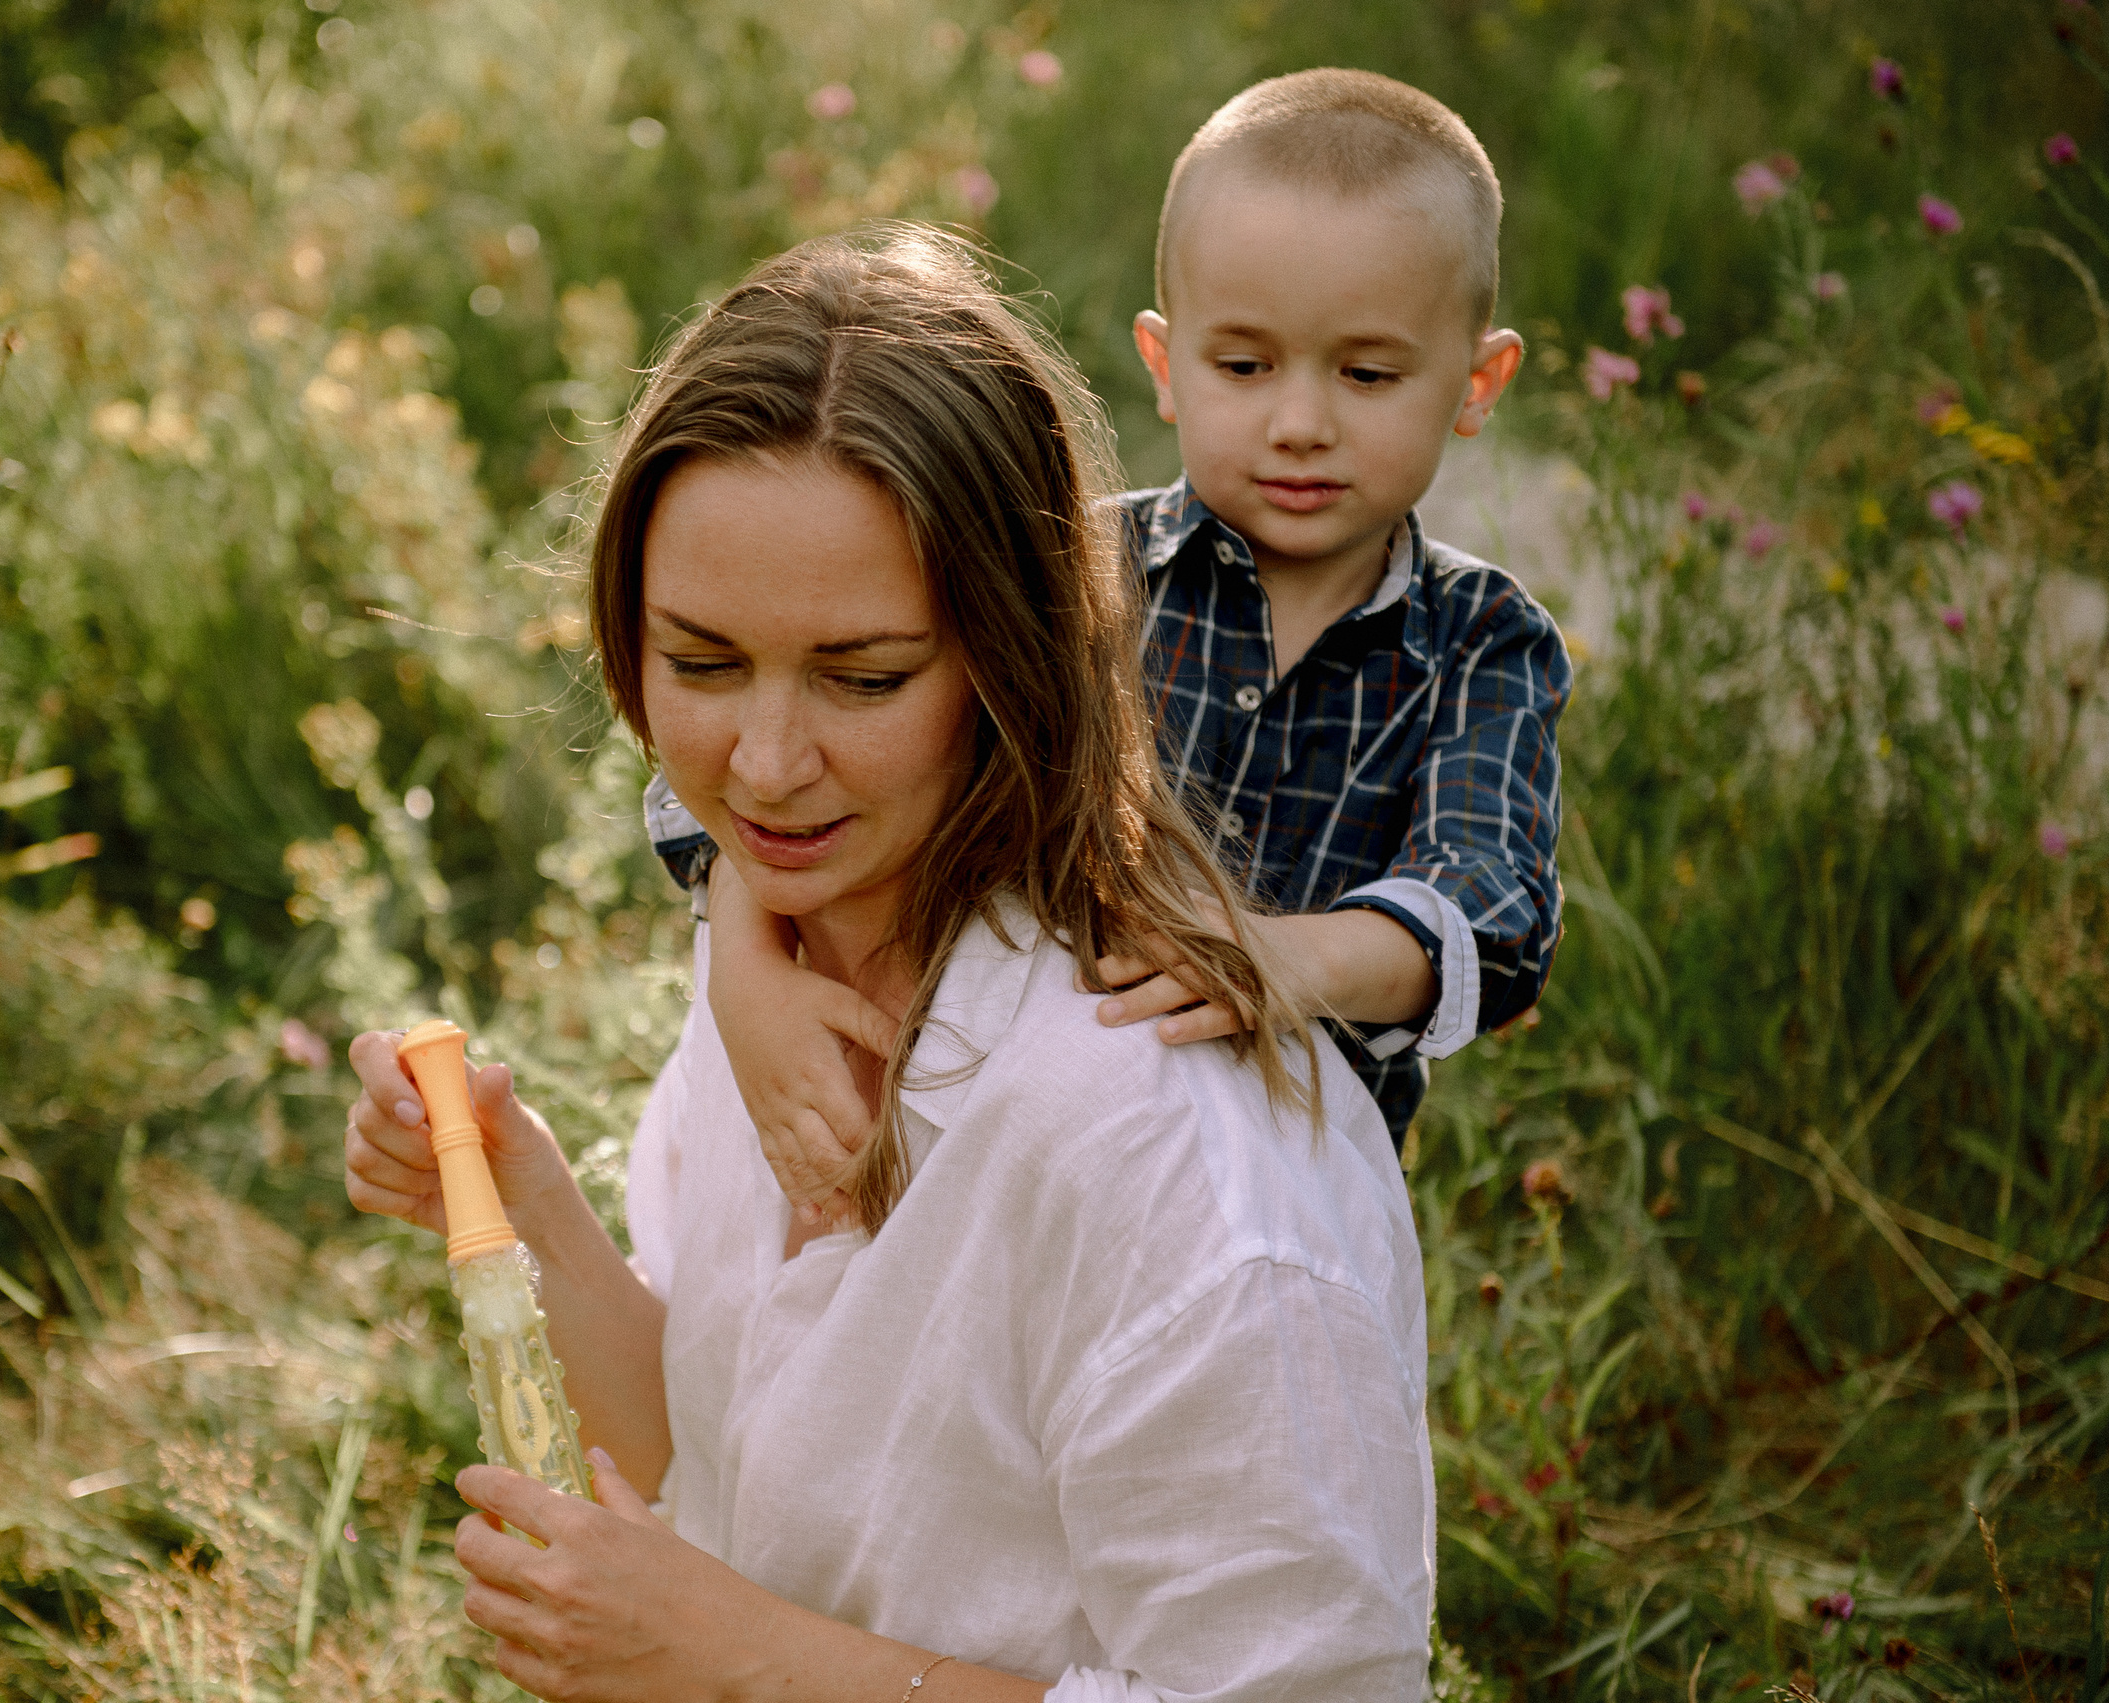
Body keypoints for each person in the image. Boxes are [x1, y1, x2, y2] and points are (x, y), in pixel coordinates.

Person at [343, 228, 1433, 1702]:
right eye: (702, 661)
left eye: (864, 677)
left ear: (1015, 656)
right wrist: (521, 1185)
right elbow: (722, 1438)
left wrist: (726, 1657)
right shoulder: (779, 951)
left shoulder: (1166, 1149)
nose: (767, 765)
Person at [654, 68, 1571, 1213]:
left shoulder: (1481, 641)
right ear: (1163, 362)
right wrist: (746, 971)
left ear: (1477, 382)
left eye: (1368, 373)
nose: (1299, 422)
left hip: (1290, 1190)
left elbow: (1492, 904)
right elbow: (769, 767)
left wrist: (1286, 960)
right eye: (1242, 365)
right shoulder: (1079, 566)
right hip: (995, 1130)